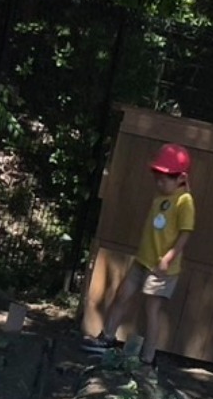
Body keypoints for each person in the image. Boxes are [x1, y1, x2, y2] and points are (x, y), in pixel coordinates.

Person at [83, 143, 195, 370]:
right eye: (157, 177)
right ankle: (107, 337)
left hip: (162, 268)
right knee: (122, 295)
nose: (159, 182)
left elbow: (185, 234)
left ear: (181, 178)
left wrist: (168, 258)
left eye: (165, 179)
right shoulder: (162, 195)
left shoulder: (185, 202)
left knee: (152, 310)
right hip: (143, 259)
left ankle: (148, 358)